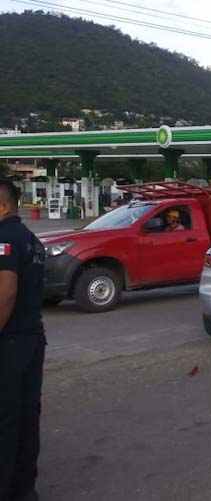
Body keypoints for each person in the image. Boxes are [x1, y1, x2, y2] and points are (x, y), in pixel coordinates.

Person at [0, 179, 46, 501]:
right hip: (32, 339)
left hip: (10, 342)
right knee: (27, 417)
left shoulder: (3, 237)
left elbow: (6, 294)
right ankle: (24, 489)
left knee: (5, 420)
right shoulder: (32, 239)